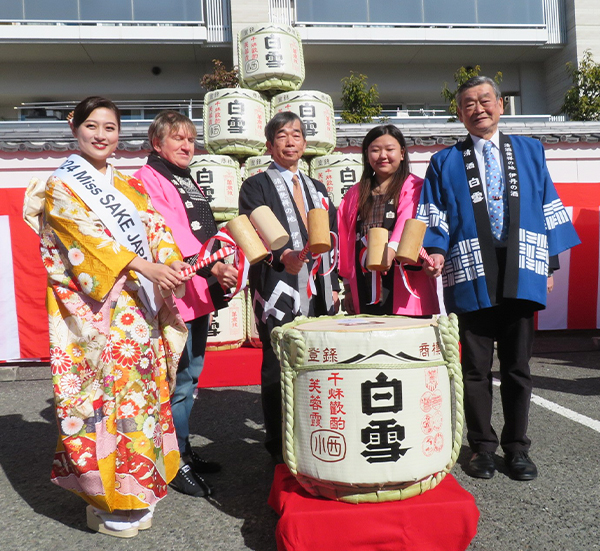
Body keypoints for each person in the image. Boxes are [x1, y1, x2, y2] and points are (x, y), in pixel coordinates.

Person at [23, 97, 190, 537]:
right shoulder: (63, 185)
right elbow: (86, 242)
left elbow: (157, 230)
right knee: (100, 401)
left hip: (137, 314)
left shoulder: (130, 187)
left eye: (110, 127)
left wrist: (171, 265)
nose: (101, 135)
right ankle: (101, 499)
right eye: (92, 126)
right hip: (95, 315)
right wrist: (144, 266)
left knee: (138, 399)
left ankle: (136, 487)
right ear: (73, 127)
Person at [418, 76, 580, 481]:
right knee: (474, 366)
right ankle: (482, 448)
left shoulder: (529, 150)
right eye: (468, 104)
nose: (478, 109)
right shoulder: (444, 161)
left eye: (485, 100)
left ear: (501, 105)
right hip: (471, 267)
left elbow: (546, 205)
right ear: (459, 113)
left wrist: (548, 265)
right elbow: (433, 213)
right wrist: (435, 250)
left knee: (518, 365)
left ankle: (517, 448)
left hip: (522, 266)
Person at [134, 110, 238, 497]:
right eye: (177, 139)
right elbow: (171, 232)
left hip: (196, 290)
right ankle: (173, 463)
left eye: (191, 140)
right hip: (175, 292)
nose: (185, 145)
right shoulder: (147, 179)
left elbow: (205, 230)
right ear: (156, 144)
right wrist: (215, 267)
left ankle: (184, 451)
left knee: (190, 377)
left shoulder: (184, 178)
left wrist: (223, 262)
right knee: (177, 381)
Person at [239, 112, 340, 461]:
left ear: (305, 143)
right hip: (279, 285)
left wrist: (335, 282)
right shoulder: (256, 185)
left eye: (296, 134)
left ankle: (316, 429)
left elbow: (332, 235)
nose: (290, 141)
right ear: (270, 145)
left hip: (319, 287)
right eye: (282, 135)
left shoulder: (318, 189)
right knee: (277, 360)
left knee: (318, 356)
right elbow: (254, 230)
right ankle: (278, 443)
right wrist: (284, 256)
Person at [337, 124, 439, 316]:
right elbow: (346, 241)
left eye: (389, 149)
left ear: (402, 153)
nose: (382, 155)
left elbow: (409, 221)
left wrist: (390, 250)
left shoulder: (416, 187)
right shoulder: (354, 194)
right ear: (367, 155)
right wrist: (349, 288)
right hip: (364, 277)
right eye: (375, 150)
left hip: (404, 276)